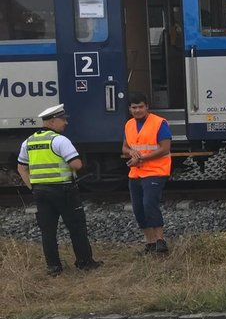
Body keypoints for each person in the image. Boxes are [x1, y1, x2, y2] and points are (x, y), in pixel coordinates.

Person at [16, 104, 102, 276]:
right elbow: (76, 164)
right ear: (53, 121)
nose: (66, 123)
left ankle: (54, 267)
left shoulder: (29, 141)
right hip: (64, 191)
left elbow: (21, 168)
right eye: (63, 120)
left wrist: (32, 186)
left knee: (48, 231)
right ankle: (84, 262)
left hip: (40, 192)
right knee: (76, 227)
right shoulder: (60, 141)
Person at [122, 92, 172, 254]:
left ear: (147, 107)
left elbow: (165, 148)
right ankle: (149, 243)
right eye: (134, 107)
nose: (137, 110)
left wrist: (141, 158)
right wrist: (131, 153)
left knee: (149, 204)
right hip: (136, 172)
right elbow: (124, 146)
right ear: (130, 109)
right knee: (138, 208)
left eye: (141, 107)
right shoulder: (129, 124)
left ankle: (160, 241)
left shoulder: (159, 123)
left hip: (156, 171)